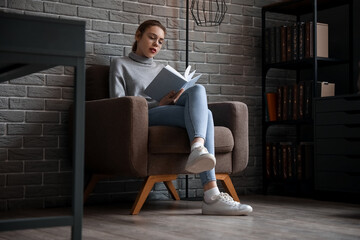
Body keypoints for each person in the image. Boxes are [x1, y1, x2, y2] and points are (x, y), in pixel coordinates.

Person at [109, 20, 253, 215]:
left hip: (164, 111)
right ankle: (211, 196)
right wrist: (157, 104)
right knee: (206, 116)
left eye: (160, 41)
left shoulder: (162, 68)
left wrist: (173, 98)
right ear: (138, 35)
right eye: (152, 37)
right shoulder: (120, 64)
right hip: (142, 117)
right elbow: (117, 104)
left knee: (198, 92)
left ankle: (199, 154)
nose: (156, 45)